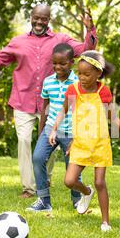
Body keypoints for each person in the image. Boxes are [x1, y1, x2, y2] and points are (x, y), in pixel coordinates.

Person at [0, 4, 97, 199]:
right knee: (23, 140)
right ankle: (29, 188)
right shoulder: (18, 42)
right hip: (23, 100)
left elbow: (84, 50)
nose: (39, 22)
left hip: (51, 103)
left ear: (49, 20)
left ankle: (44, 179)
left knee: (50, 141)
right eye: (36, 18)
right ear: (31, 17)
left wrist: (90, 30)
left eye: (44, 19)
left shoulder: (61, 40)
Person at [49, 51, 120, 231]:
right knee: (69, 181)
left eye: (87, 74)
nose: (82, 77)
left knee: (100, 182)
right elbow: (63, 110)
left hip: (100, 144)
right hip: (80, 144)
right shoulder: (73, 90)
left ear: (98, 73)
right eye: (79, 73)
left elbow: (112, 118)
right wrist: (54, 129)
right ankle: (86, 192)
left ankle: (105, 221)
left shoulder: (103, 92)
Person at [26, 43, 81, 212]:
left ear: (72, 62)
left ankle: (77, 200)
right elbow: (44, 108)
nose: (58, 67)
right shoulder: (48, 82)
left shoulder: (79, 82)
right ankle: (43, 201)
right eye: (54, 63)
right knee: (37, 158)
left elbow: (81, 111)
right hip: (51, 128)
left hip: (71, 131)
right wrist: (42, 130)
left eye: (62, 63)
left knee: (72, 167)